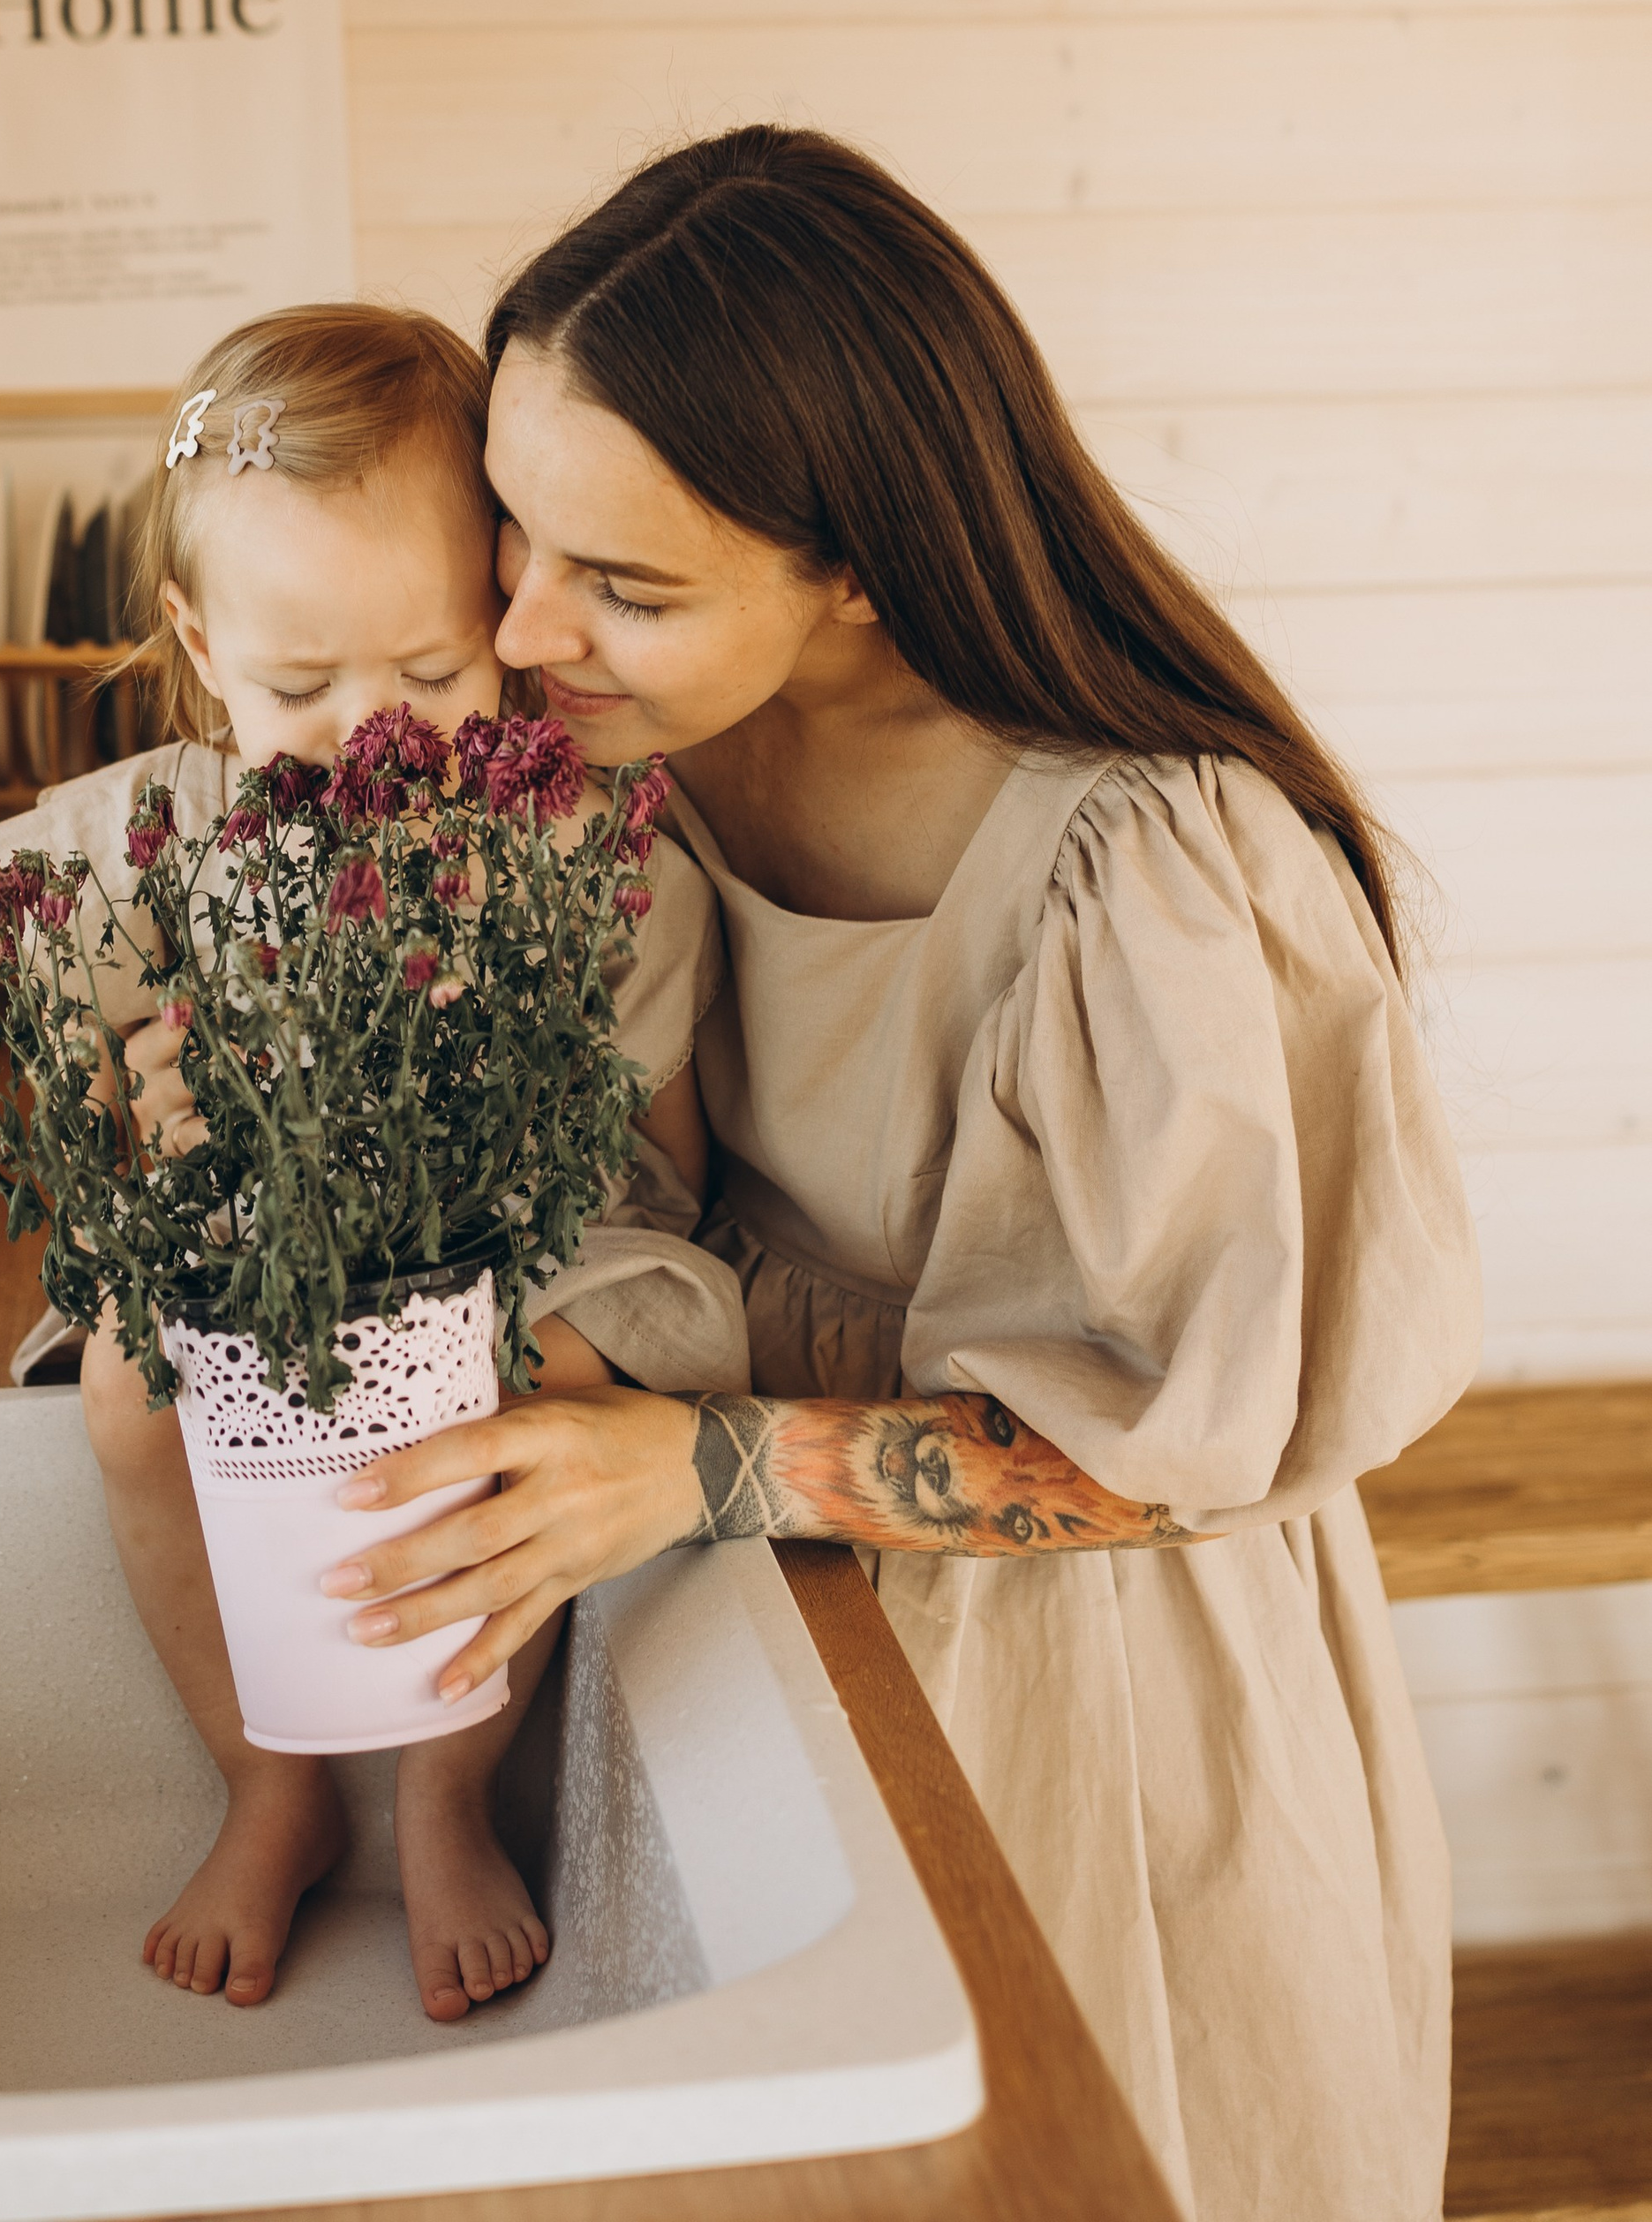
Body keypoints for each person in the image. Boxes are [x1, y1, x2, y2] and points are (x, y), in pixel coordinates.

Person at [302, 130, 1480, 2222]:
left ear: (854, 565)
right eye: (515, 531)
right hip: (722, 1605)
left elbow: (1193, 1448)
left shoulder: (1151, 865)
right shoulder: (621, 762)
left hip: (1090, 1696)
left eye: (626, 585)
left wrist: (705, 1463)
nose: (528, 622)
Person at [0, 302, 742, 2026]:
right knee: (126, 1389)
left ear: (506, 619)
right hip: (257, 1253)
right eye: (296, 687)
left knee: (500, 1391)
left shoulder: (581, 852)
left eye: (431, 674)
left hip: (535, 1255)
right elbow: (1, 980)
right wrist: (141, 1115)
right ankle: (269, 1783)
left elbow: (663, 1166)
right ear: (200, 646)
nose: (365, 733)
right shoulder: (172, 833)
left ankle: (447, 1792)